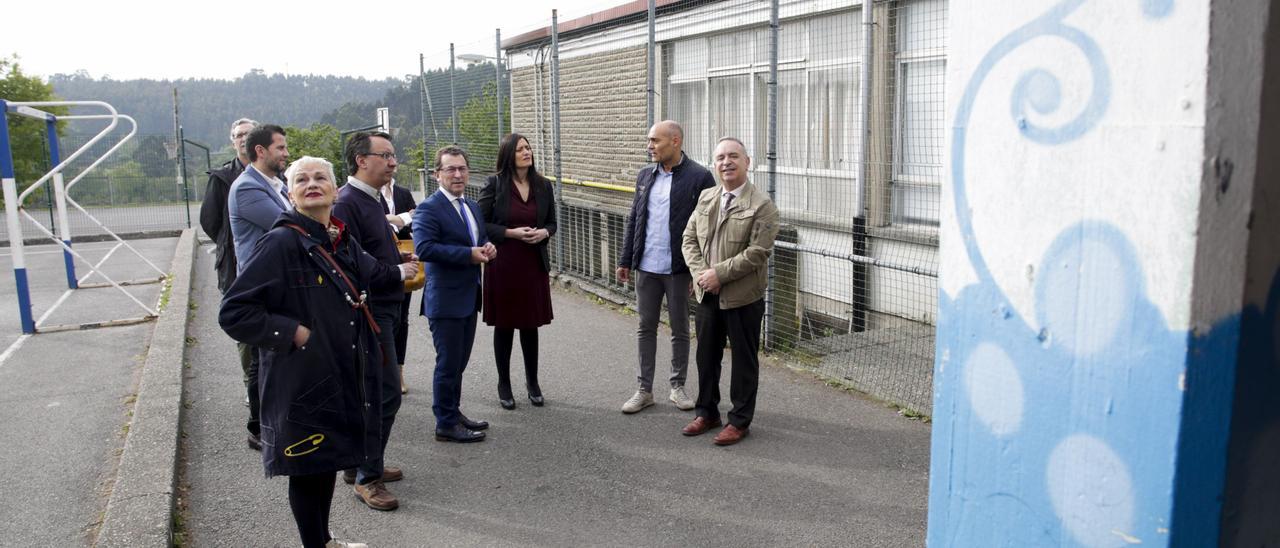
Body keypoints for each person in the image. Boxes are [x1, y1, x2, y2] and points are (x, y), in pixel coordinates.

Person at [220, 156, 408, 548]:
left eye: (320, 177)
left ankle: (322, 540)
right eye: (301, 179)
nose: (312, 184)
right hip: (302, 380)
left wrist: (403, 267)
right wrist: (293, 332)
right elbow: (235, 312)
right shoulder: (281, 242)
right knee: (307, 470)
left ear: (335, 190)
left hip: (338, 374)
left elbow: (373, 273)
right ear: (290, 194)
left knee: (324, 467)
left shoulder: (337, 237)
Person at [332, 132, 418, 511]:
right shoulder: (347, 202)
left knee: (378, 391)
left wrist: (398, 269)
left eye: (394, 155)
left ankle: (361, 463)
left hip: (388, 305)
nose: (393, 162)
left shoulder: (370, 199)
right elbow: (351, 264)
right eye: (385, 155)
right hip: (371, 310)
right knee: (383, 393)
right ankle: (368, 476)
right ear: (361, 160)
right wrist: (397, 272)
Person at [680, 137, 780, 446]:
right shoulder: (707, 197)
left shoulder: (762, 206)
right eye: (721, 157)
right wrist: (701, 275)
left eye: (734, 156)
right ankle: (707, 412)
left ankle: (739, 420)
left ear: (747, 162)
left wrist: (719, 274)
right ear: (715, 164)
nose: (727, 162)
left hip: (743, 298)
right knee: (706, 357)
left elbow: (758, 253)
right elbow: (689, 239)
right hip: (708, 294)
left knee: (744, 362)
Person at [616, 121, 716, 414]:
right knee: (644, 327)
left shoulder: (700, 177)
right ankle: (644, 390)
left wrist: (697, 271)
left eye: (655, 141)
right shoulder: (645, 175)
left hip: (679, 270)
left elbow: (707, 229)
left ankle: (678, 387)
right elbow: (634, 217)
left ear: (675, 141)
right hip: (646, 268)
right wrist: (625, 260)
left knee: (680, 329)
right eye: (649, 140)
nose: (650, 146)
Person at [411, 146, 496, 443]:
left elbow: (480, 240)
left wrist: (487, 248)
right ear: (437, 175)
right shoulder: (428, 208)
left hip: (469, 297)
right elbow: (424, 249)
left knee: (459, 362)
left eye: (462, 168)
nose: (458, 174)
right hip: (445, 300)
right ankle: (445, 423)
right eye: (450, 169)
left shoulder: (470, 206)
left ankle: (453, 411)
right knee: (447, 364)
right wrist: (469, 254)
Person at [478, 133, 556, 410]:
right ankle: (504, 383)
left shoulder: (543, 185)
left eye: (528, 147)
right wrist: (510, 233)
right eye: (520, 149)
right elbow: (481, 223)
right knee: (505, 325)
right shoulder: (495, 184)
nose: (527, 152)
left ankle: (532, 382)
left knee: (530, 325)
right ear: (508, 154)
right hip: (504, 261)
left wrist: (544, 232)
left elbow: (552, 222)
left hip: (533, 263)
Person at [226, 124, 291, 451]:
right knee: (262, 359)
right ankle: (259, 428)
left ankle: (277, 421)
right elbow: (288, 224)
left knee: (274, 356)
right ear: (260, 151)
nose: (286, 153)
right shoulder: (247, 188)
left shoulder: (276, 184)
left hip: (280, 283)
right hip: (261, 286)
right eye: (280, 147)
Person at [198, 117, 258, 413]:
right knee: (245, 328)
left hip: (270, 264)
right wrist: (230, 245)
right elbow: (210, 221)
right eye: (238, 135)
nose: (243, 138)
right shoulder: (222, 178)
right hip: (234, 267)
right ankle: (251, 383)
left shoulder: (277, 173)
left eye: (248, 133)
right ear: (233, 141)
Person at [381, 178, 418, 396]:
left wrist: (391, 220)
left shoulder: (403, 192)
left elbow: (417, 219)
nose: (390, 164)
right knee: (386, 320)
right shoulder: (370, 194)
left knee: (402, 319)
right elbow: (376, 222)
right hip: (384, 262)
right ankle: (386, 373)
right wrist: (403, 218)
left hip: (404, 258)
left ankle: (399, 371)